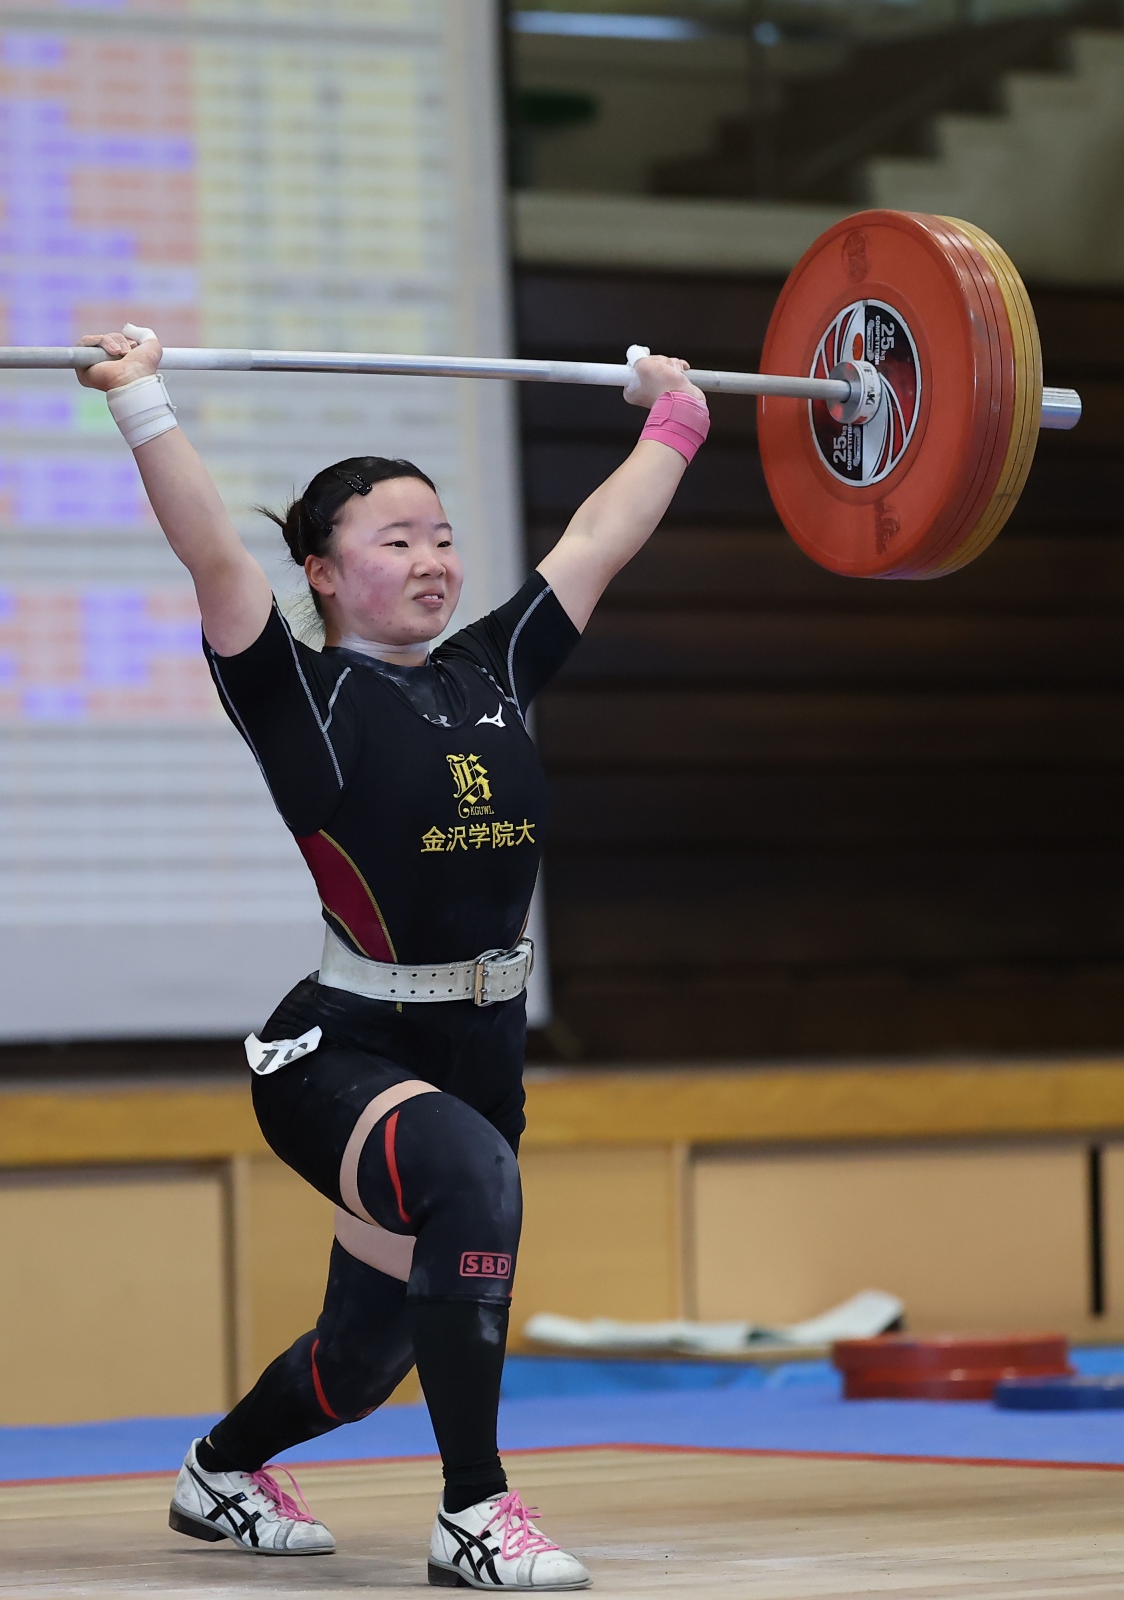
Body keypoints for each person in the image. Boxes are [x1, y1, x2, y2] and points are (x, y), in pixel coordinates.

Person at [74, 324, 709, 1592]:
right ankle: (475, 1512)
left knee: (363, 1360)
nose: (431, 560)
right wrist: (142, 399)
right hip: (343, 1053)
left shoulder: (494, 666)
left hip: (479, 1045)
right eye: (395, 540)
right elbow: (213, 551)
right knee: (473, 1179)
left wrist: (676, 415)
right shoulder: (296, 692)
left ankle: (219, 1469)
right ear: (321, 570)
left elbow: (600, 536)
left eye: (441, 537)